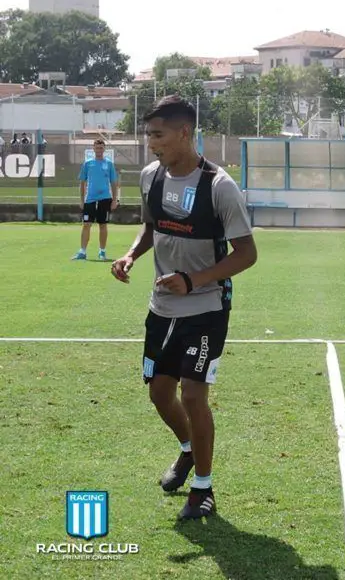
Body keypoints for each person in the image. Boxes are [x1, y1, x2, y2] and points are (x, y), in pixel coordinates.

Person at [110, 95, 257, 520]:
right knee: (160, 394)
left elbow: (246, 254)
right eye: (148, 134)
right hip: (162, 307)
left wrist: (192, 280)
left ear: (183, 133)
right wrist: (131, 255)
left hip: (206, 307)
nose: (150, 143)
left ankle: (204, 488)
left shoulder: (219, 186)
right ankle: (189, 449)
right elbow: (152, 227)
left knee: (193, 394)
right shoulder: (151, 177)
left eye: (157, 135)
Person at [72, 139, 119, 261]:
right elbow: (82, 183)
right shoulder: (88, 164)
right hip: (90, 199)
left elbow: (113, 183)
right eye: (97, 148)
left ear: (104, 149)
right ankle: (82, 252)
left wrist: (115, 200)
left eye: (101, 148)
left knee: (103, 225)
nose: (99, 150)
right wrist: (82, 200)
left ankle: (102, 252)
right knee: (86, 224)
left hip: (105, 198)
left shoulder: (109, 164)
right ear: (93, 149)